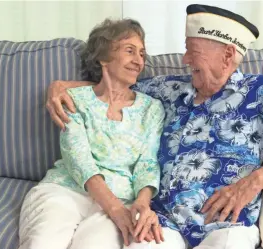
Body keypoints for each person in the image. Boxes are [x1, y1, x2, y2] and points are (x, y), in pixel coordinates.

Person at [46, 4, 263, 249]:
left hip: (225, 224)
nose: (184, 60)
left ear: (228, 55)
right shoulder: (170, 89)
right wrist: (62, 86)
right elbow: (115, 85)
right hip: (162, 220)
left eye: (192, 51)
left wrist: (250, 184)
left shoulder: (260, 92)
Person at [18, 18, 166, 249]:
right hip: (65, 191)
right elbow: (79, 159)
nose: (139, 61)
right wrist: (115, 209)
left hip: (121, 199)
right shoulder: (74, 98)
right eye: (130, 51)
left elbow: (148, 163)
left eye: (142, 54)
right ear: (103, 57)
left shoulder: (151, 108)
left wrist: (142, 203)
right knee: (42, 243)